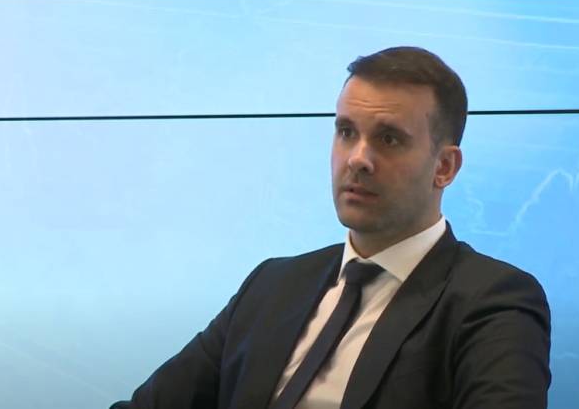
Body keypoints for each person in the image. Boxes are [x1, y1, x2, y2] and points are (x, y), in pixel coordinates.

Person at [111, 46, 551, 409]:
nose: (358, 158)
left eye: (389, 138)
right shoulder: (271, 286)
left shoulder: (492, 302)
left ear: (445, 167)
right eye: (346, 132)